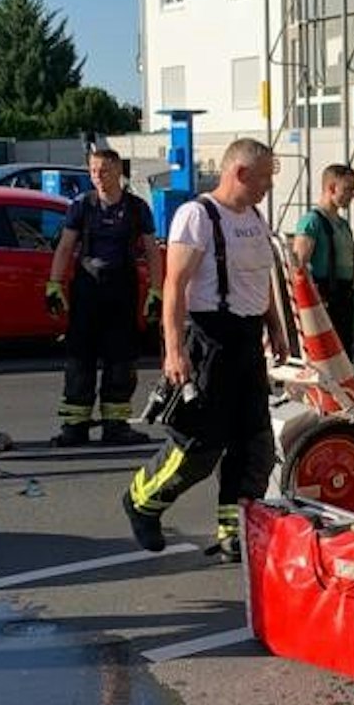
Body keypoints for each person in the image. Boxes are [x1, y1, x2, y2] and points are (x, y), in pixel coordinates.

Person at [123, 138, 289, 561]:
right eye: (266, 176)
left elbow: (261, 280)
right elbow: (175, 286)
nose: (270, 184)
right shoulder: (196, 216)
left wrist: (276, 328)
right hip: (209, 341)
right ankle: (143, 502)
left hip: (247, 340)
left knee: (255, 447)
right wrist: (174, 351)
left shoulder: (254, 217)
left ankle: (233, 531)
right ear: (241, 173)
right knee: (200, 446)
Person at [45, 147, 159, 447]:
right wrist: (54, 284)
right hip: (87, 292)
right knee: (79, 360)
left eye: (103, 170)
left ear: (118, 172)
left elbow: (151, 251)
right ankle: (74, 427)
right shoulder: (82, 206)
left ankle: (116, 426)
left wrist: (157, 291)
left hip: (122, 291)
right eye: (93, 171)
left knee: (121, 360)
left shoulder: (137, 209)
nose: (97, 176)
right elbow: (66, 247)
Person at [290, 163, 354, 351]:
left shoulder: (343, 225)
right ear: (331, 188)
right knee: (326, 362)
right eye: (348, 189)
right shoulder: (312, 222)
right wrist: (308, 303)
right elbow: (298, 268)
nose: (353, 195)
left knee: (344, 357)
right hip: (323, 300)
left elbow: (353, 263)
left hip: (344, 299)